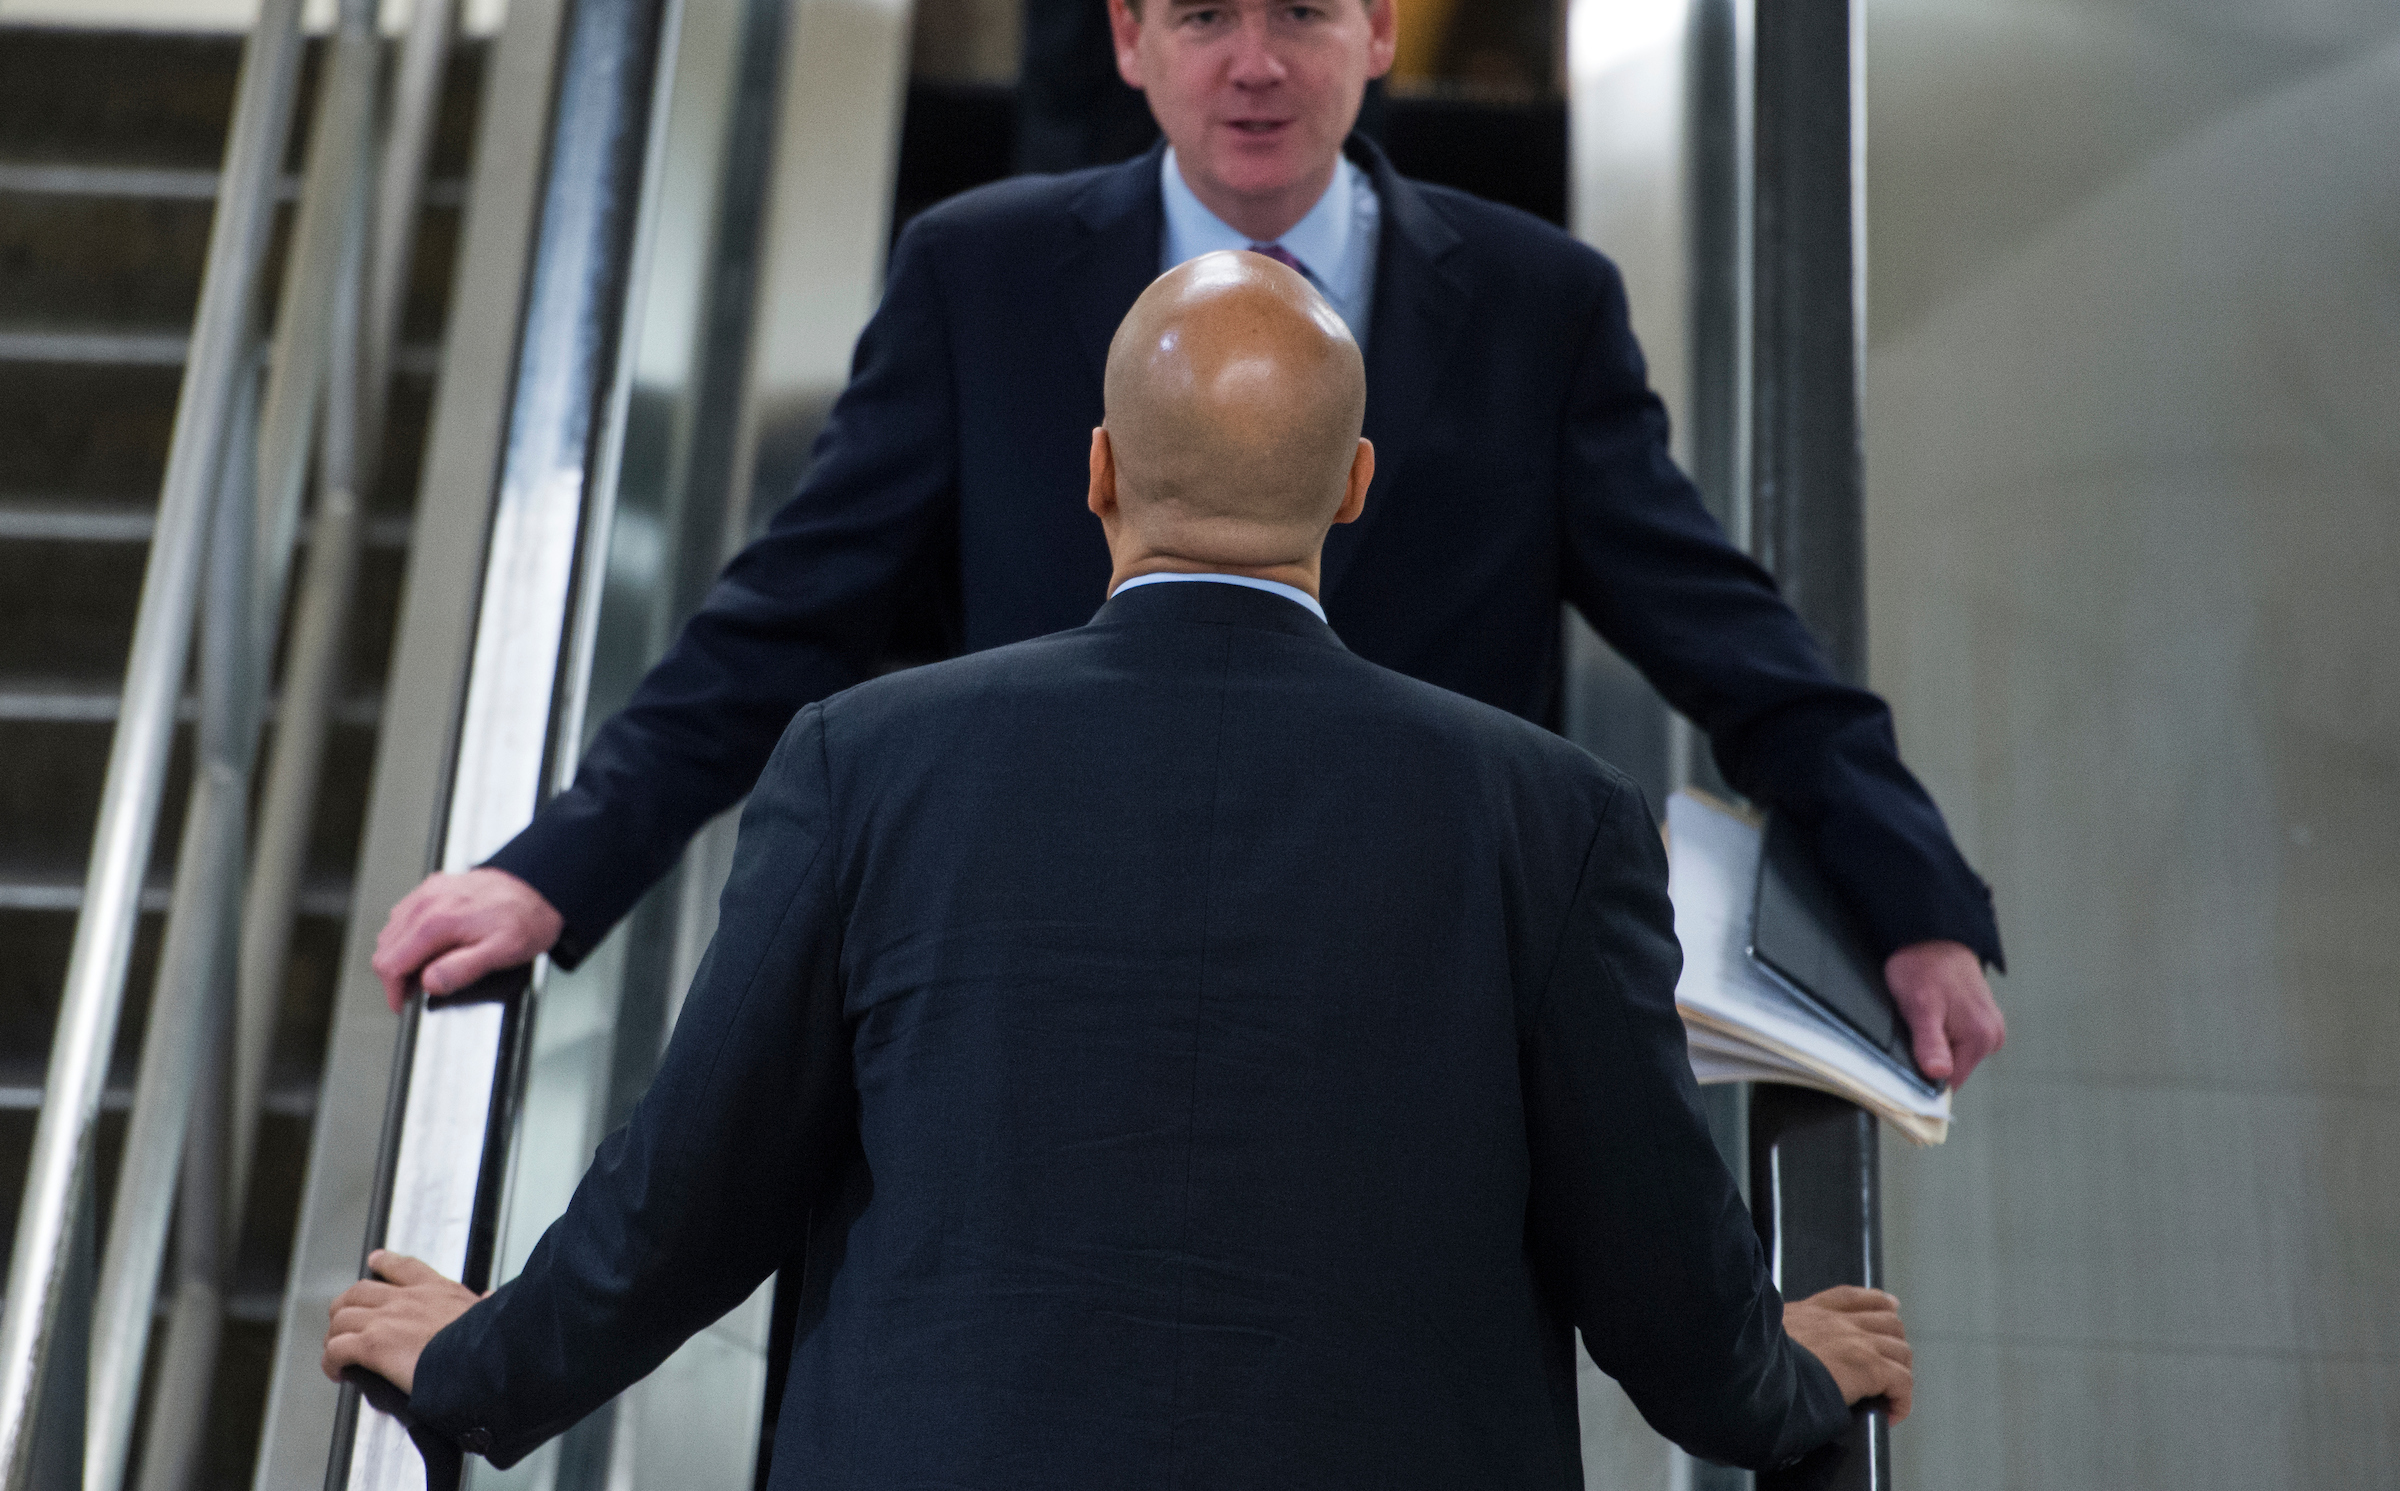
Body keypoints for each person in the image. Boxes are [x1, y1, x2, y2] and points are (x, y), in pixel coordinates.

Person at [373, 0, 2005, 1086]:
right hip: (1035, 1022)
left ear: (1376, 25)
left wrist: (1912, 897)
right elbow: (780, 618)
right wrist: (554, 872)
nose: (1255, 64)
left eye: (1301, 10)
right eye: (1204, 13)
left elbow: (1736, 644)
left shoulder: (1533, 306)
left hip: (1411, 1044)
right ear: (1127, 33)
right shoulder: (983, 280)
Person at [325, 255, 1914, 1481]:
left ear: (1095, 472)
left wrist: (482, 1363)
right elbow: (1656, 1269)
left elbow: (691, 1193)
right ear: (1355, 490)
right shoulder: (1551, 817)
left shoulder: (863, 762)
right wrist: (1785, 1381)